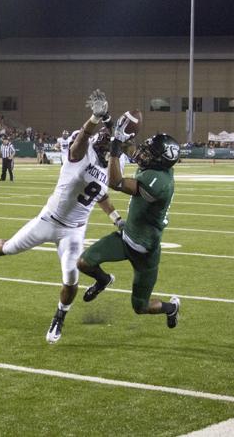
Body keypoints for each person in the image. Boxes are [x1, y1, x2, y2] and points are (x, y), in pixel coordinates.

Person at [0, 89, 125, 344]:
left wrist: (116, 218)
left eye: (108, 145)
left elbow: (100, 195)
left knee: (71, 278)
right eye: (101, 144)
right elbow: (83, 137)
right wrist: (95, 119)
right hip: (47, 220)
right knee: (11, 248)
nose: (104, 148)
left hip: (74, 230)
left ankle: (59, 316)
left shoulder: (114, 164)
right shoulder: (82, 153)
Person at [77, 126, 182, 329]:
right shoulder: (158, 166)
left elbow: (116, 182)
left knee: (140, 307)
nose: (144, 153)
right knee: (83, 263)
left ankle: (171, 308)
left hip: (146, 251)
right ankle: (103, 280)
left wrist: (115, 148)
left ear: (160, 160)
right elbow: (131, 148)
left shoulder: (159, 182)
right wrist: (116, 129)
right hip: (126, 238)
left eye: (151, 152)